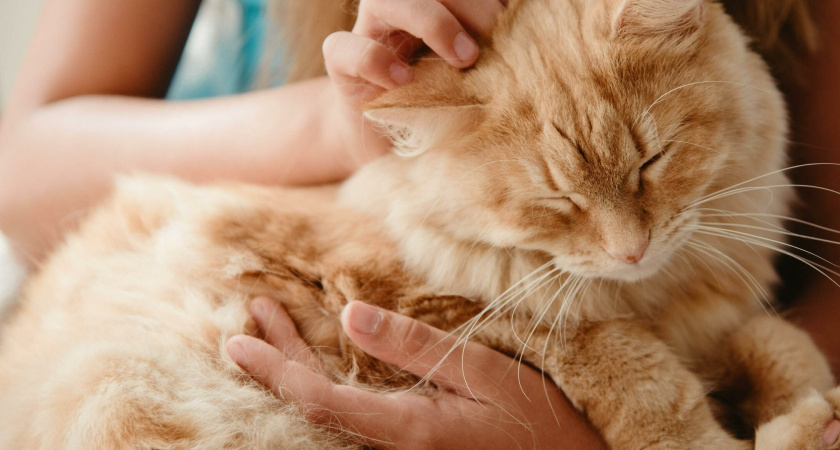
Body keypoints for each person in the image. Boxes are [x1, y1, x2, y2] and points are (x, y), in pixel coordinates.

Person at [0, 0, 837, 448]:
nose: (628, 246)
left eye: (651, 172)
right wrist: (347, 127)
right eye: (562, 206)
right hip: (170, 306)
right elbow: (20, 170)